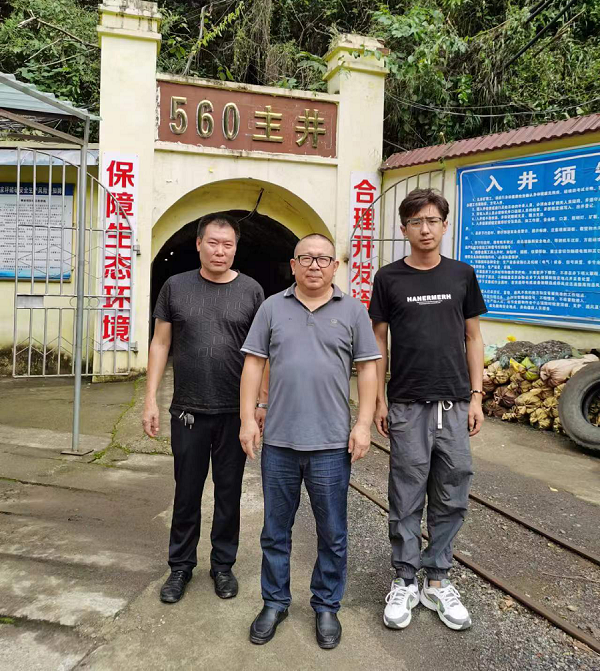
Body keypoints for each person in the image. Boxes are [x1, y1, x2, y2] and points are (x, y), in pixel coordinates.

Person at [239, 234, 381, 650]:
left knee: (332, 531)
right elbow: (254, 364)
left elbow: (368, 370)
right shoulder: (272, 307)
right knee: (275, 531)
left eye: (323, 259)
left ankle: (326, 605)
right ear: (293, 264)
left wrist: (363, 424)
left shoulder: (353, 310)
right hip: (279, 442)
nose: (314, 265)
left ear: (335, 266)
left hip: (331, 445)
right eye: (306, 258)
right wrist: (247, 418)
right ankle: (274, 602)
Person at [369, 188, 486, 632]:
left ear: (444, 225)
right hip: (407, 403)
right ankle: (404, 578)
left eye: (433, 220)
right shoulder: (389, 278)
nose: (425, 229)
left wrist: (477, 396)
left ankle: (437, 579)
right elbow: (377, 342)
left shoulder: (462, 274)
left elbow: (473, 337)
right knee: (405, 494)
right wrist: (379, 398)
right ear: (404, 229)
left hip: (454, 403)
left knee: (453, 491)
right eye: (416, 222)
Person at [142, 213, 264, 604]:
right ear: (198, 244)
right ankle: (180, 566)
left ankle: (223, 565)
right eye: (213, 242)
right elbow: (160, 343)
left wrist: (259, 404)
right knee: (187, 491)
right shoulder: (175, 287)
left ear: (236, 248)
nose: (220, 251)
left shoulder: (251, 291)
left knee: (229, 493)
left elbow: (261, 354)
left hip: (234, 412)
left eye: (228, 245)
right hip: (187, 410)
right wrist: (150, 398)